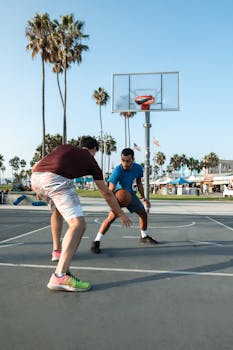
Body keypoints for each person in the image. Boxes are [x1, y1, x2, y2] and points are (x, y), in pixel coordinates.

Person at [31, 136, 132, 292]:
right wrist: (121, 214)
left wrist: (38, 187)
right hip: (55, 179)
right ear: (93, 150)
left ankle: (57, 252)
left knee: (57, 210)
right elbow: (106, 193)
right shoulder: (90, 160)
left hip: (36, 177)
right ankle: (60, 275)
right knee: (78, 225)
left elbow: (36, 166)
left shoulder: (64, 148)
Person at [91, 148, 158, 254]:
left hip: (130, 194)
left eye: (128, 160)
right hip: (118, 195)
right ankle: (96, 241)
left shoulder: (138, 168)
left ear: (133, 159)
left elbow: (139, 183)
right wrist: (117, 209)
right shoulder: (117, 170)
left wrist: (143, 197)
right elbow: (110, 191)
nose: (125, 163)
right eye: (123, 160)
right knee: (110, 218)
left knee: (143, 214)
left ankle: (144, 236)